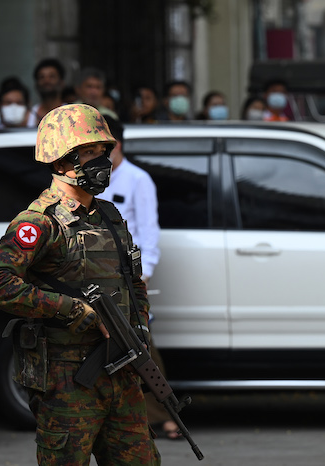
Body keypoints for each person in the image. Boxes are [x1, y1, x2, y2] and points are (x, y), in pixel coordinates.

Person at [0, 103, 159, 465]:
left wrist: (139, 328)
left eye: (101, 151)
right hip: (68, 380)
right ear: (60, 162)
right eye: (88, 152)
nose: (100, 161)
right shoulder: (40, 223)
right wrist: (73, 309)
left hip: (122, 372)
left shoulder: (109, 216)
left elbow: (132, 281)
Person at [96, 117, 179, 440]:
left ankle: (162, 415)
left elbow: (149, 232)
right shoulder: (91, 181)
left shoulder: (137, 180)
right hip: (95, 277)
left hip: (128, 280)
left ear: (115, 144)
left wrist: (142, 275)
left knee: (141, 346)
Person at [27, 58, 65, 128]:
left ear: (61, 83)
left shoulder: (71, 113)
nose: (46, 81)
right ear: (36, 85)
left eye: (52, 77)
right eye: (42, 77)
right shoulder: (28, 116)